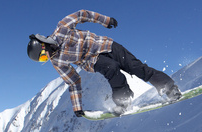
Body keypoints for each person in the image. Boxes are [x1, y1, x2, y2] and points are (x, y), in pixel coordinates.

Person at [27, 9, 181, 117]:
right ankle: (123, 100)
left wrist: (105, 20)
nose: (47, 59)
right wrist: (77, 107)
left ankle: (169, 88)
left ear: (43, 44)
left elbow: (82, 14)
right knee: (111, 68)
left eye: (42, 56)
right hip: (91, 60)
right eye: (43, 60)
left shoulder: (62, 28)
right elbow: (73, 82)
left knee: (136, 67)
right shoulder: (57, 61)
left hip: (105, 45)